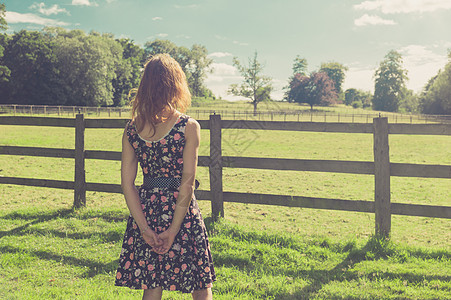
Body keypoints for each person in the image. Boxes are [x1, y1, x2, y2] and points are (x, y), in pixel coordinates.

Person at [115, 53, 215, 300]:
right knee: (200, 284)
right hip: (181, 212)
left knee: (152, 284)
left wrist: (144, 228)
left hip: (147, 209)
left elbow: (127, 185)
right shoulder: (188, 126)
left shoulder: (131, 129)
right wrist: (174, 228)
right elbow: (187, 182)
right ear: (176, 84)